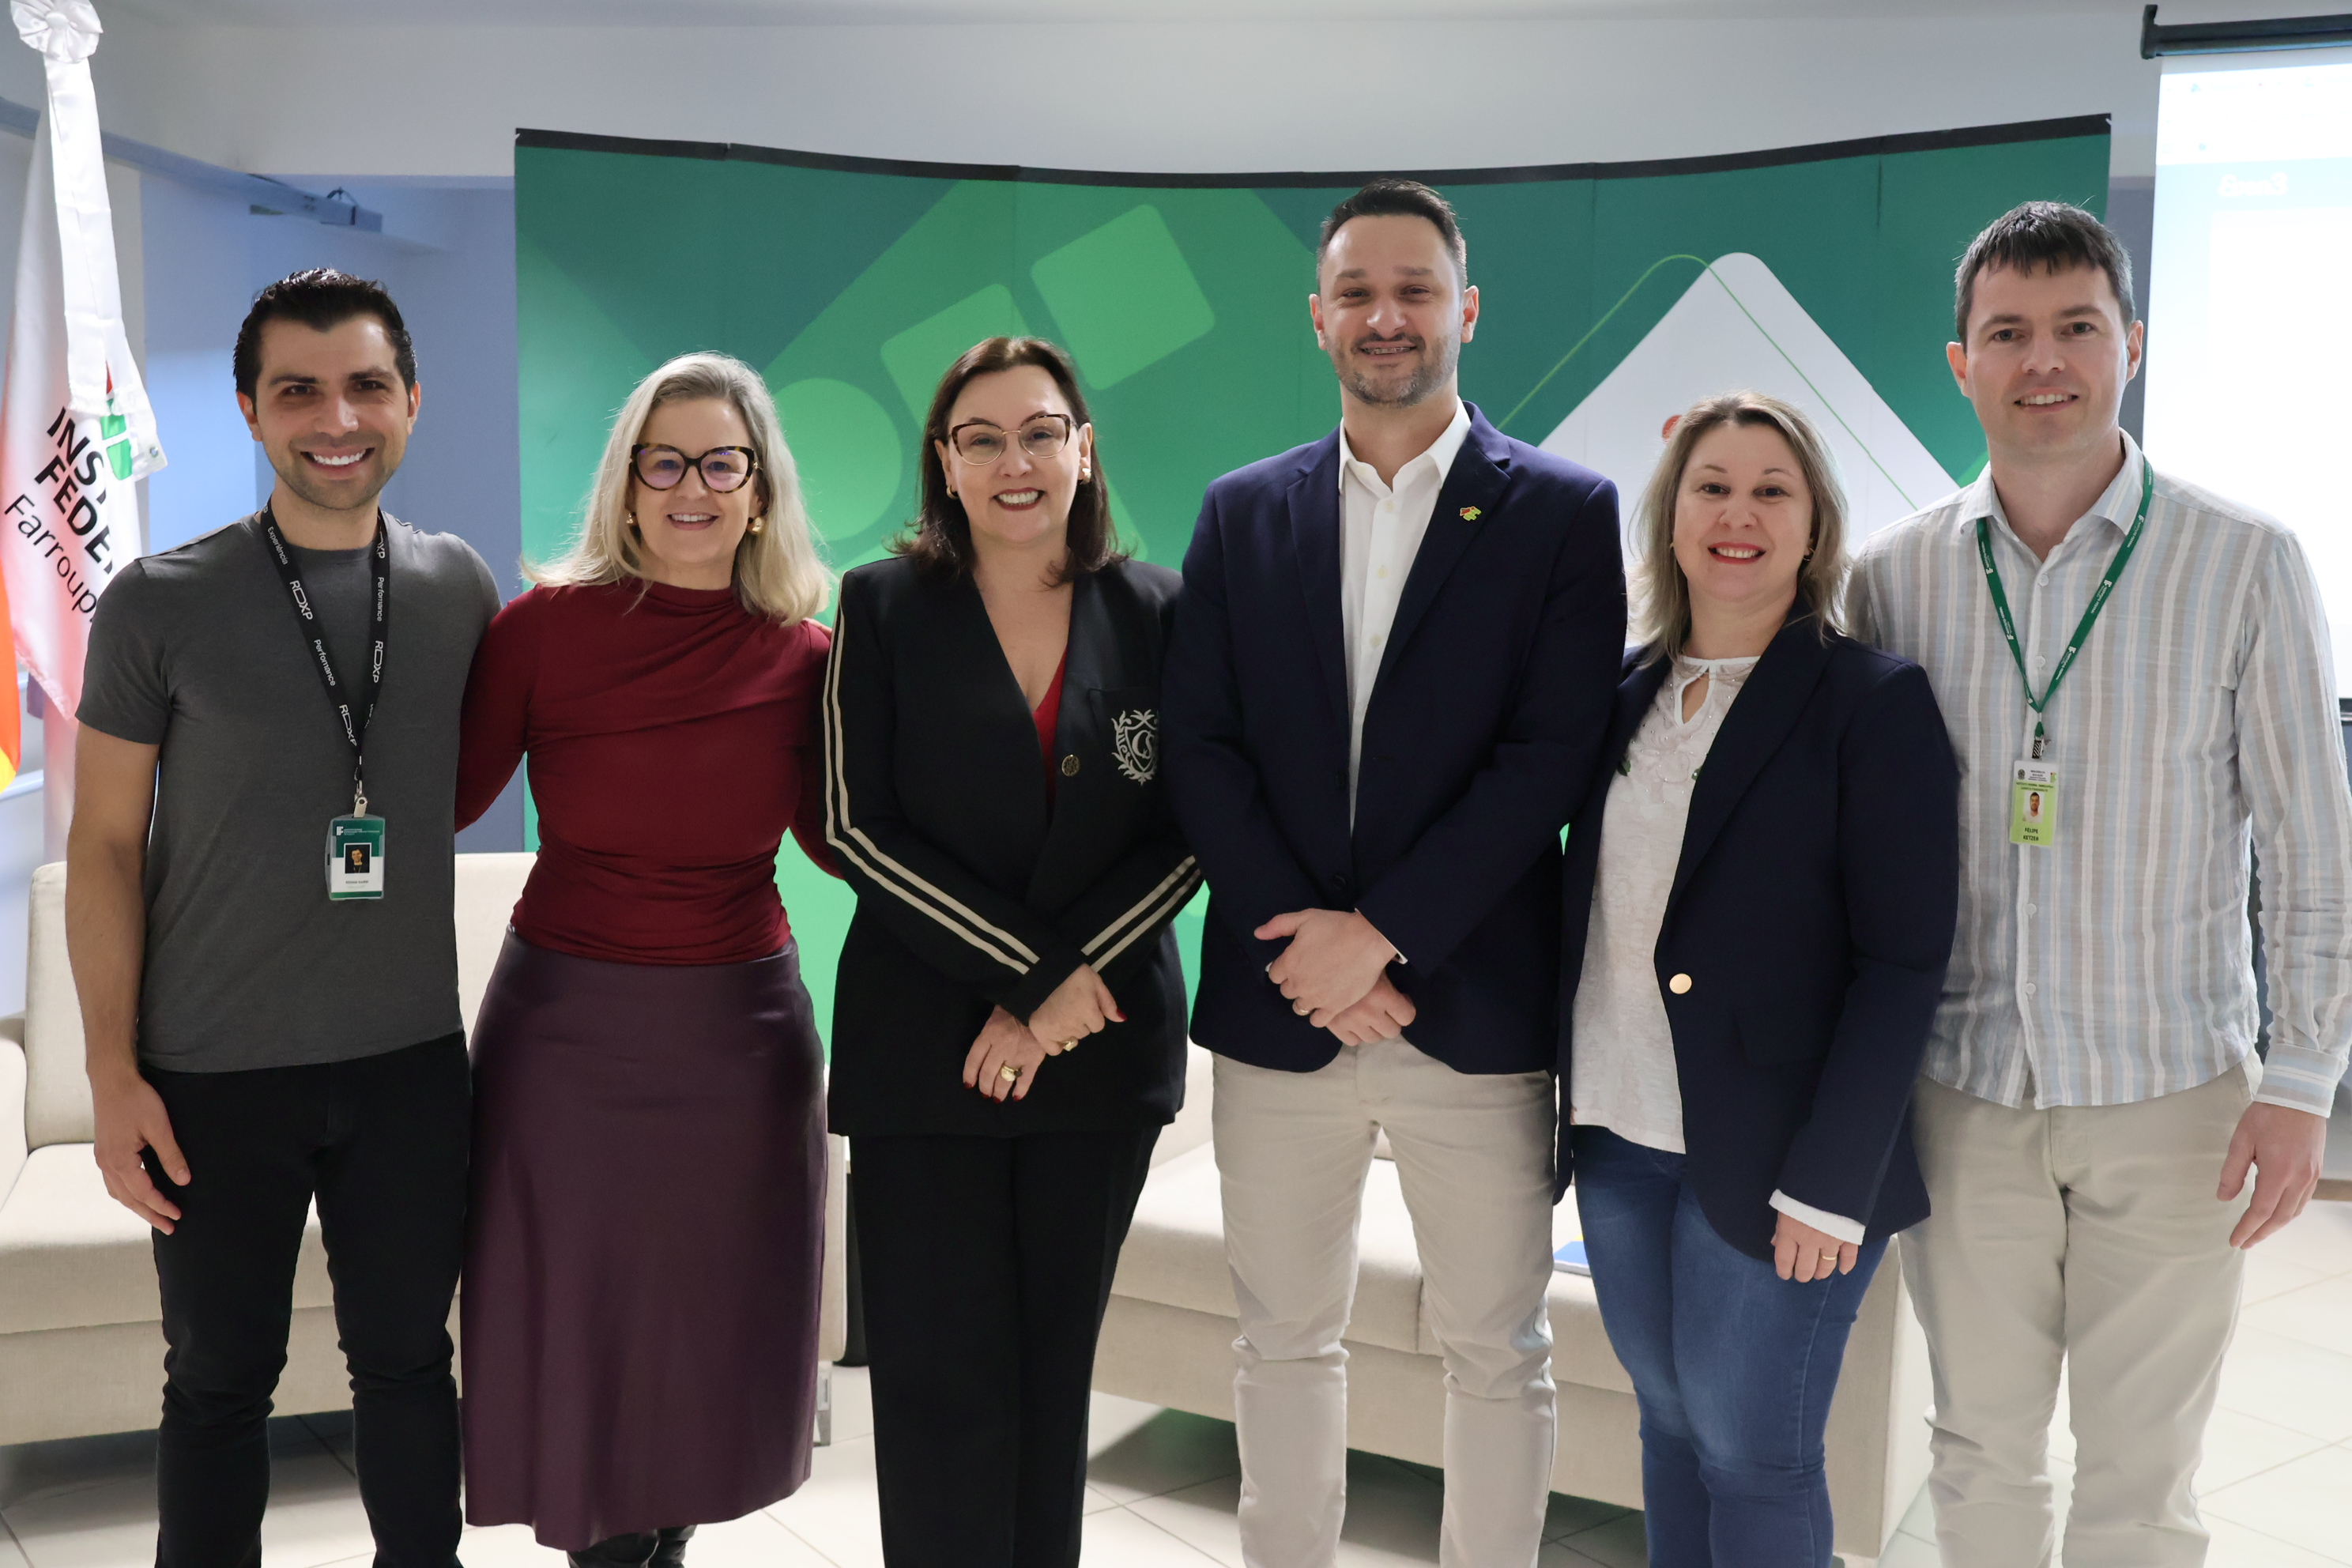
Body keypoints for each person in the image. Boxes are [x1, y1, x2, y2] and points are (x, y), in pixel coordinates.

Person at [1850, 202, 2349, 1568]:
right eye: (2008, 333)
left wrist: (2304, 1080)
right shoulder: (1893, 576)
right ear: (1961, 363)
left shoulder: (2244, 559)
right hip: (1964, 1092)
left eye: (2077, 327)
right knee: (1980, 1453)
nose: (2044, 361)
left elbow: (2313, 845)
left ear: (2131, 343)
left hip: (2174, 1097)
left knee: (2142, 1478)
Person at [1162, 179, 1625, 1568]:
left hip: (1472, 1010)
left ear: (1466, 309)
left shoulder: (1563, 512)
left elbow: (1551, 757)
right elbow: (1202, 748)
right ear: (1316, 318)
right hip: (1281, 1006)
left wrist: (1383, 936)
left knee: (1499, 1348)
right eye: (1357, 291)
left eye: (1415, 289)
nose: (1386, 316)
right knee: (1281, 1340)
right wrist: (1310, 951)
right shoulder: (1243, 513)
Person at [67, 270, 499, 1568]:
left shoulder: (458, 587)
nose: (336, 418)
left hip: (409, 1061)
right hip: (212, 1073)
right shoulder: (159, 600)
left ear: (412, 401)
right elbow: (102, 845)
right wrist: (111, 1077)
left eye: (366, 386)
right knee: (217, 1382)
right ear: (251, 411)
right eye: (298, 390)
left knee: (410, 1366)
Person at [1558, 391, 1959, 1567]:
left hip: (1785, 1161)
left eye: (1772, 491)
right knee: (1671, 1425)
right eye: (1713, 488)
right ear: (1672, 517)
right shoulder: (1619, 694)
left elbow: (1904, 962)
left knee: (1752, 1453)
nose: (1739, 514)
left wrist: (1834, 1184)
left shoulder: (1870, 700)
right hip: (1619, 1135)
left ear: (1815, 524)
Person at [453, 352, 836, 1566]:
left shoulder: (809, 658)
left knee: (705, 1346)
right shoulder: (539, 633)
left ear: (760, 492)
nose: (691, 488)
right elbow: (436, 803)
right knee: (589, 1340)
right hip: (566, 1043)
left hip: (741, 1051)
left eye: (722, 464)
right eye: (662, 463)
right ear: (624, 486)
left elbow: (849, 847)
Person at [823, 336, 1199, 1568]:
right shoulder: (881, 605)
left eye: (1040, 433)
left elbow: (1196, 830)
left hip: (1099, 1057)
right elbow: (854, 826)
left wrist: (1055, 1004)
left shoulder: (1160, 610)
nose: (1014, 461)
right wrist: (1031, 983)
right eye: (979, 439)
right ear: (944, 464)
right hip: (924, 1052)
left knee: (1051, 1380)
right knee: (938, 1387)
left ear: (1084, 448)